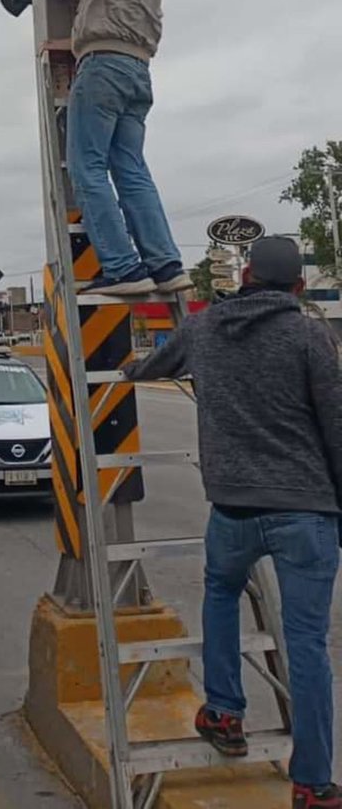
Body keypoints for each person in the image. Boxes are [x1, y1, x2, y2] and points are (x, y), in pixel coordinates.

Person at [126, 236, 342, 809]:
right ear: (297, 287)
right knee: (308, 647)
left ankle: (224, 712)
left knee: (220, 592)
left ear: (244, 275)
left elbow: (148, 366)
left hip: (233, 509)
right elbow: (336, 426)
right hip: (306, 511)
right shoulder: (309, 333)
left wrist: (122, 366)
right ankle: (313, 783)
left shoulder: (203, 328)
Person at [8, 0, 189, 297]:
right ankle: (164, 263)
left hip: (104, 64)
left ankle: (123, 268)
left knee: (87, 166)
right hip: (137, 70)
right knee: (130, 169)